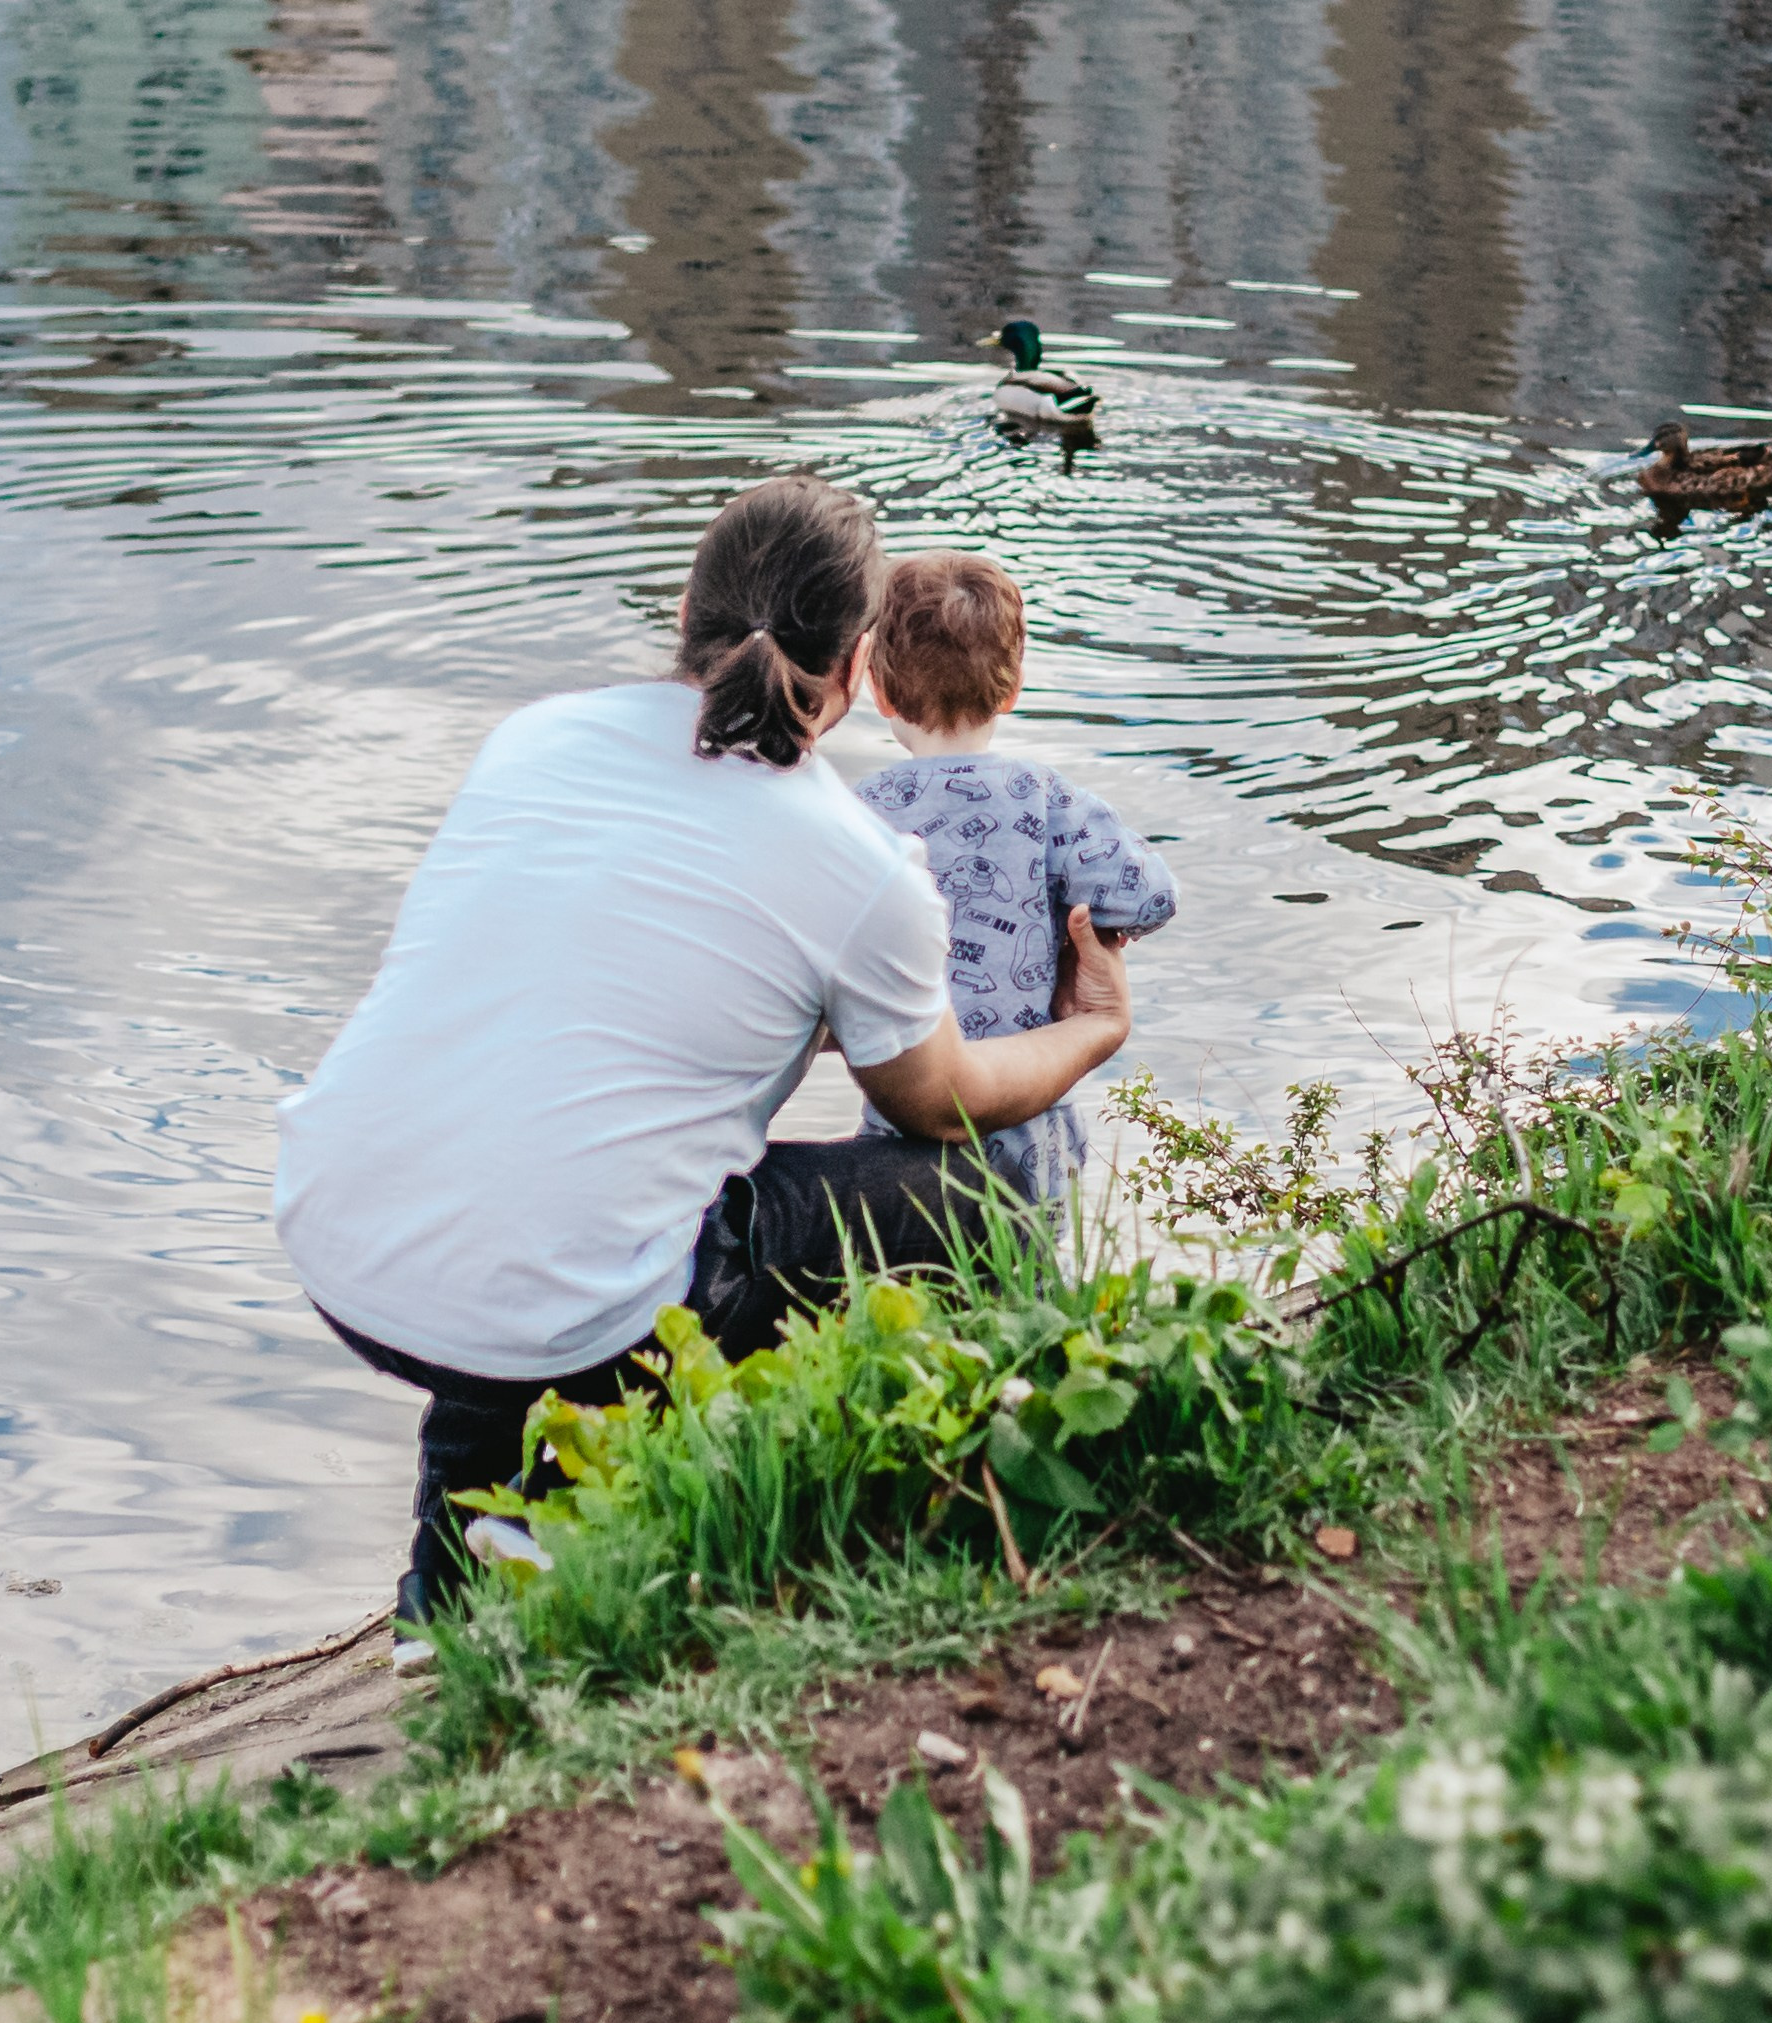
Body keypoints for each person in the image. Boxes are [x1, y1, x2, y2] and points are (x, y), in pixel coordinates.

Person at [272, 475, 1135, 1639]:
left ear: (689, 601)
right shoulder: (859, 858)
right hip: (569, 1298)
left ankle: (449, 1585)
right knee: (974, 1195)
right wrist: (1091, 1027)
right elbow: (945, 1103)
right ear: (857, 668)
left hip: (347, 1234)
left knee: (542, 1156)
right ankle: (720, 1508)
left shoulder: (533, 736)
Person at [856, 551, 1176, 1201]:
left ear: (877, 687)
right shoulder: (1043, 798)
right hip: (1031, 1126)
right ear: (1010, 689)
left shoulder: (858, 812)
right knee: (1032, 1287)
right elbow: (1151, 895)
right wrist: (1077, 928)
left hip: (900, 1126)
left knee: (904, 1281)